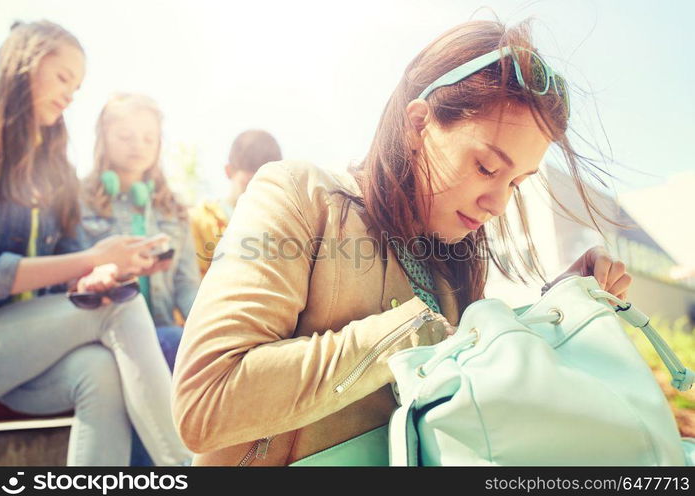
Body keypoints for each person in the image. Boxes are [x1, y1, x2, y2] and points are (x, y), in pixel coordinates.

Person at [171, 19, 633, 466]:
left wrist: (559, 310)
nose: (497, 203)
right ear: (418, 125)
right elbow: (206, 402)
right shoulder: (298, 193)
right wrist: (409, 333)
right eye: (487, 168)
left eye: (515, 183)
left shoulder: (453, 261)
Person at [0, 20, 191, 466]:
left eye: (77, 86)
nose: (69, 94)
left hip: (26, 349)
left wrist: (99, 272)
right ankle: (184, 470)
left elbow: (68, 266)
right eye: (63, 77)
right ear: (23, 64)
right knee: (125, 308)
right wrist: (91, 258)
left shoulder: (54, 170)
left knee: (100, 370)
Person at [77, 93, 201, 464]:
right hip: (99, 330)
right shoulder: (78, 200)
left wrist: (208, 331)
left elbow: (186, 284)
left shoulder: (173, 208)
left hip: (159, 327)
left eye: (149, 138)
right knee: (168, 347)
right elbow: (68, 272)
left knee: (187, 345)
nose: (138, 146)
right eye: (126, 136)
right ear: (103, 140)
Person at [190, 129, 281, 277]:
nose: (256, 195)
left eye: (266, 188)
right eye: (248, 184)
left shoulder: (280, 226)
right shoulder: (201, 220)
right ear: (229, 171)